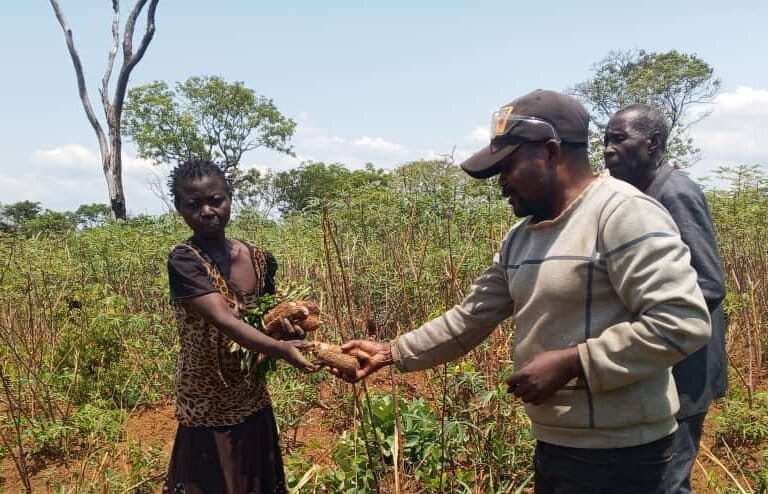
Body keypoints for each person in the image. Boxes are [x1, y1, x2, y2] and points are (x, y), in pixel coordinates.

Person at [335, 90, 712, 493]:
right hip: (557, 444)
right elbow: (470, 316)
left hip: (623, 454)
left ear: (549, 153)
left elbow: (681, 322)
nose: (501, 184)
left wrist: (573, 363)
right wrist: (392, 351)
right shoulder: (522, 238)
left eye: (508, 167)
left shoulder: (622, 214)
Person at [162, 159, 317, 494]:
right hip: (206, 399)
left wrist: (291, 331)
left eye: (215, 200)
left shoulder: (260, 258)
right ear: (179, 209)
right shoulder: (185, 260)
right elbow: (223, 320)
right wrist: (281, 349)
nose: (206, 211)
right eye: (193, 204)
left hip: (251, 393)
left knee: (254, 480)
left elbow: (269, 320)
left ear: (229, 198)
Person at [604, 104, 728, 493]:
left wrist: (648, 333)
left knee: (668, 482)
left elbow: (708, 285)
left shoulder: (675, 192)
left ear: (653, 142)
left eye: (619, 139)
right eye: (605, 140)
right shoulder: (639, 195)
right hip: (661, 370)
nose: (607, 149)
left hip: (685, 368)